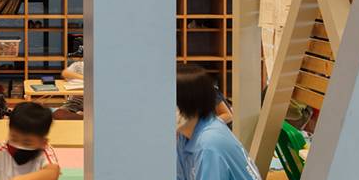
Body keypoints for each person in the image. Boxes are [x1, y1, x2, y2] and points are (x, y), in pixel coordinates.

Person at [58, 59, 235, 126]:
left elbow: (228, 115)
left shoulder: (206, 90)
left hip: (202, 127)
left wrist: (204, 125)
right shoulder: (79, 65)